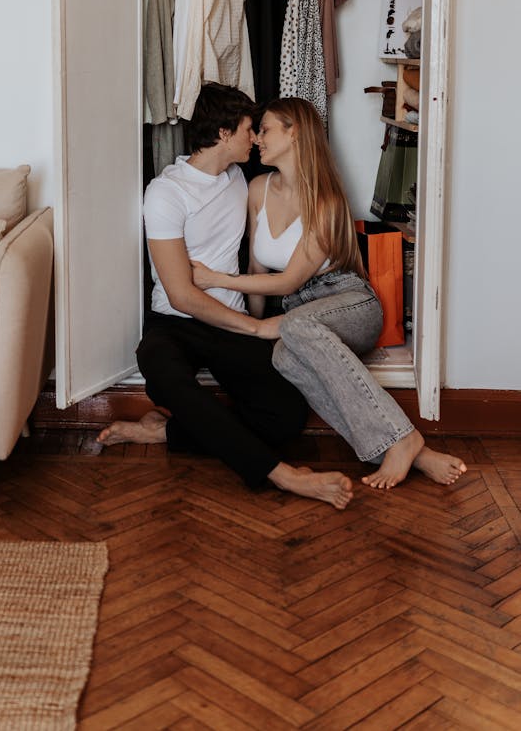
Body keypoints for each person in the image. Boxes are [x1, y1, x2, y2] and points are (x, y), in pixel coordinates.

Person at [97, 83, 355, 509]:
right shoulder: (166, 193)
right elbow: (181, 294)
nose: (255, 138)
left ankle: (164, 432)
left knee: (286, 414)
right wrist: (255, 328)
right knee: (159, 369)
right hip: (178, 322)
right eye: (249, 129)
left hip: (229, 321)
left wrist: (250, 323)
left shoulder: (240, 179)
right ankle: (282, 475)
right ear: (222, 133)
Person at [190, 96, 467, 490]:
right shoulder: (257, 189)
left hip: (348, 302)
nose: (256, 139)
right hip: (300, 314)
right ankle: (411, 449)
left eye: (265, 129)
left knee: (294, 329)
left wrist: (217, 280)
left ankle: (403, 440)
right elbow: (257, 270)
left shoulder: (326, 201)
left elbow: (286, 282)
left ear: (294, 132)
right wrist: (254, 325)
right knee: (285, 355)